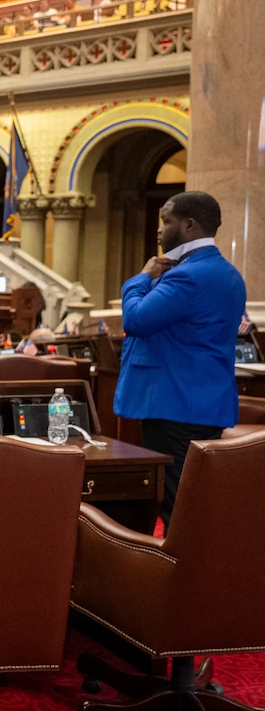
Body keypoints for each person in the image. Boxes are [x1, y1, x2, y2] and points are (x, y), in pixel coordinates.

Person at [114, 191, 246, 530]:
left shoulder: (187, 275)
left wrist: (141, 278)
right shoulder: (228, 273)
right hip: (203, 401)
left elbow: (136, 319)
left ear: (188, 225)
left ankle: (178, 578)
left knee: (175, 506)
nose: (160, 230)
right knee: (191, 498)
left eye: (166, 221)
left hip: (175, 403)